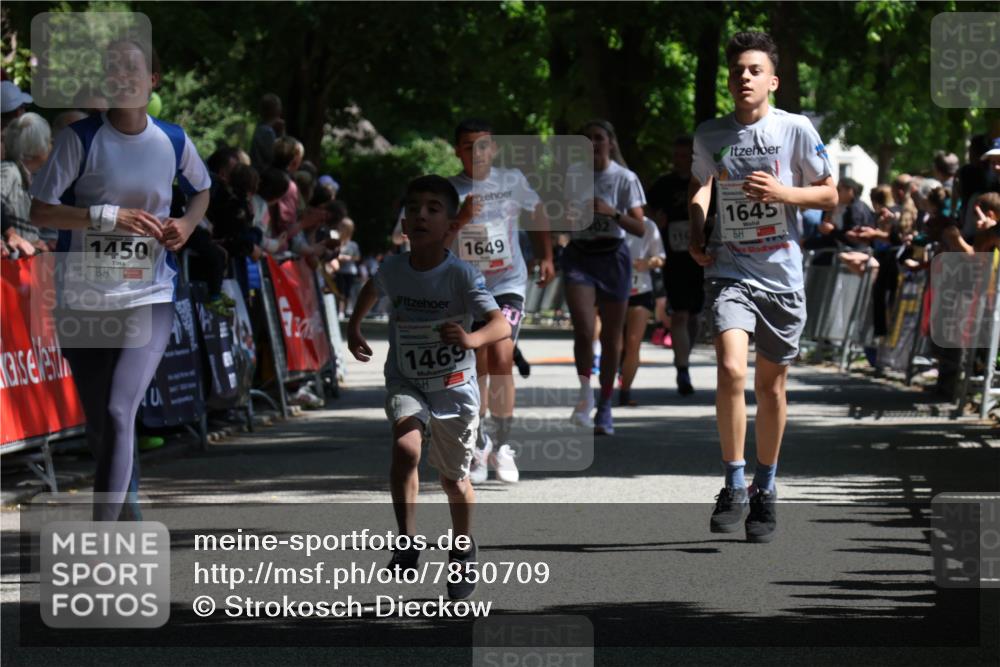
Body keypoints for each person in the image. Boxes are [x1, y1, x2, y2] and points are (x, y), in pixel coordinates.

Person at [29, 39, 211, 521]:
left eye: (133, 69)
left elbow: (202, 190)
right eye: (113, 70)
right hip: (82, 299)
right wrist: (107, 216)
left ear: (153, 81)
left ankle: (101, 541)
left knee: (118, 411)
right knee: (101, 426)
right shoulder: (80, 139)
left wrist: (187, 225)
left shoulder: (173, 140)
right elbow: (41, 209)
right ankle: (127, 517)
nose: (122, 77)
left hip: (148, 295)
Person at [688, 32, 836, 543]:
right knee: (731, 368)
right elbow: (703, 185)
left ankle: (765, 488)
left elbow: (830, 192)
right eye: (737, 71)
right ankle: (732, 482)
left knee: (770, 388)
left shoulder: (794, 129)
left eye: (754, 70)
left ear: (772, 80)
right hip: (730, 269)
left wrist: (783, 192)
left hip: (782, 276)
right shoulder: (710, 134)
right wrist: (695, 224)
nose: (744, 77)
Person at [347, 175, 510, 600]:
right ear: (405, 221)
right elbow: (372, 287)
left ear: (450, 224)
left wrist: (471, 339)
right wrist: (354, 325)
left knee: (453, 480)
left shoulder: (461, 274)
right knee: (406, 449)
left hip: (454, 386)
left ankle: (462, 549)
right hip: (406, 377)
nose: (422, 214)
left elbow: (497, 324)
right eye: (414, 208)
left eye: (433, 209)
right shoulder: (394, 267)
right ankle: (407, 540)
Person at [447, 118, 555, 482]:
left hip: (508, 281)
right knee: (477, 361)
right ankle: (479, 443)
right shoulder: (450, 191)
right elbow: (434, 239)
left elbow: (538, 211)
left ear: (493, 149)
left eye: (483, 145)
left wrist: (547, 255)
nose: (476, 153)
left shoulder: (511, 181)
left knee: (502, 355)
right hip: (467, 288)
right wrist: (460, 219)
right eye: (468, 146)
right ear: (456, 150)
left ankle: (503, 444)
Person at [564, 119, 646, 435]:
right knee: (585, 330)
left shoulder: (624, 178)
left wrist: (611, 212)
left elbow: (641, 227)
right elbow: (556, 215)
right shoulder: (571, 176)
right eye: (586, 140)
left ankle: (606, 404)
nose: (593, 144)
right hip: (580, 255)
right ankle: (585, 397)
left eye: (598, 138)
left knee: (612, 337)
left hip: (613, 256)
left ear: (610, 143)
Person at [648, 135, 705, 395]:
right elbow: (647, 213)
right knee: (680, 314)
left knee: (695, 317)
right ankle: (683, 369)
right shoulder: (663, 184)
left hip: (700, 258)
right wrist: (656, 220)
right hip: (673, 259)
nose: (680, 160)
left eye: (686, 156)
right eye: (677, 155)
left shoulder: (707, 181)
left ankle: (684, 356)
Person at [619, 216, 665, 406]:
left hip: (641, 290)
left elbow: (661, 258)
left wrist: (646, 263)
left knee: (633, 344)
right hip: (614, 290)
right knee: (614, 344)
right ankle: (613, 377)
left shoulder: (648, 225)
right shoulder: (612, 220)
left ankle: (625, 391)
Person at [1, 112, 51, 251]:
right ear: (36, 148)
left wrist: (35, 243)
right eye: (48, 140)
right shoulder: (9, 171)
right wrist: (12, 234)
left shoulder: (27, 179)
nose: (50, 145)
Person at [249, 93, 284, 172]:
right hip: (266, 175)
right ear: (277, 110)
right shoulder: (267, 132)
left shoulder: (260, 128)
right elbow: (277, 157)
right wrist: (282, 135)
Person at [334, 217, 361, 317]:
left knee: (347, 291)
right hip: (338, 270)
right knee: (339, 291)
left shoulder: (353, 245)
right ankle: (339, 310)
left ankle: (344, 310)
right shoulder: (336, 241)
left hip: (349, 271)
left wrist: (347, 258)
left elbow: (357, 257)